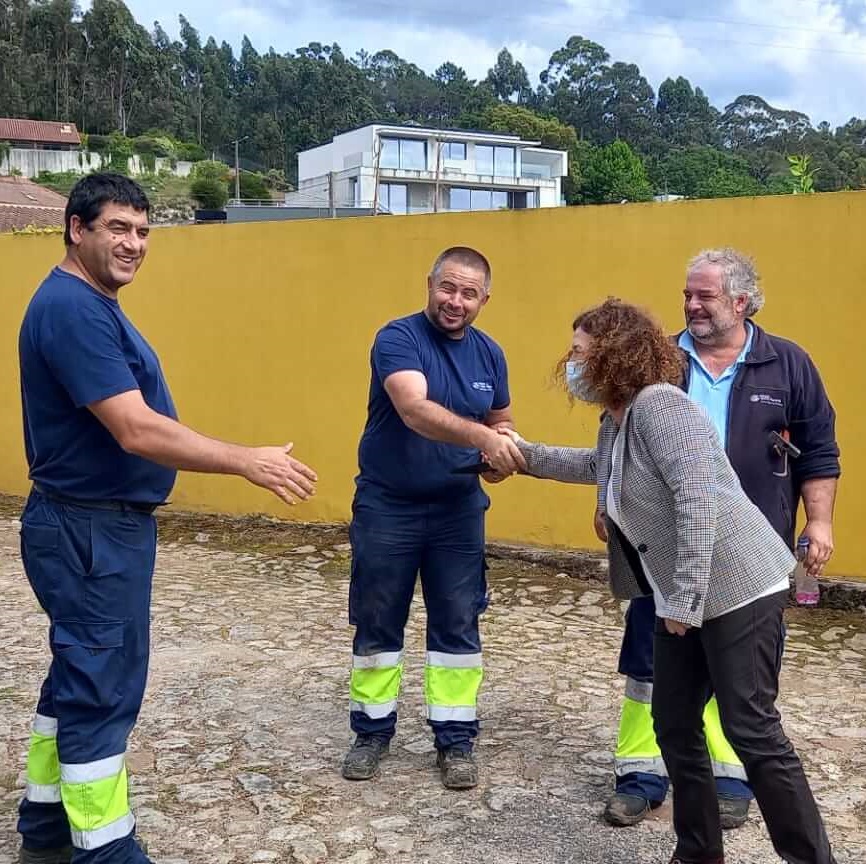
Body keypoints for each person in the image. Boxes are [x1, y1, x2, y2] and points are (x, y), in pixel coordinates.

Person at [17, 174, 317, 864]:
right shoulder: (73, 309)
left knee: (76, 676)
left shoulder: (89, 304)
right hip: (91, 529)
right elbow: (135, 429)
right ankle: (104, 849)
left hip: (95, 525)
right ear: (76, 228)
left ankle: (44, 826)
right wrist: (247, 460)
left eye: (143, 231)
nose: (134, 243)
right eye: (118, 228)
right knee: (100, 687)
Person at [508, 298, 837, 864]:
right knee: (674, 724)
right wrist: (520, 455)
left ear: (612, 355)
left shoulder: (662, 406)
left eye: (581, 352)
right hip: (684, 596)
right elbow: (597, 468)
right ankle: (697, 853)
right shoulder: (620, 416)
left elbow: (698, 501)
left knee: (752, 730)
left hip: (737, 588)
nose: (572, 363)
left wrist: (683, 600)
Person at [601, 248, 840, 829]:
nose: (691, 306)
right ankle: (641, 773)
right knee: (650, 663)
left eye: (704, 296)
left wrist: (820, 521)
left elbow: (819, 450)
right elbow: (617, 433)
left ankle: (731, 778)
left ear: (741, 301)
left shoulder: (787, 364)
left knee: (744, 680)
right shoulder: (661, 361)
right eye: (687, 294)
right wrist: (606, 501)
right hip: (664, 549)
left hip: (745, 557)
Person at [341, 246, 521, 790]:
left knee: (458, 623)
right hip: (387, 505)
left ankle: (456, 739)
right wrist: (484, 437)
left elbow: (502, 420)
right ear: (429, 284)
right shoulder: (398, 338)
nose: (455, 302)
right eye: (448, 288)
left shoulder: (490, 353)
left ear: (484, 299)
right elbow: (413, 408)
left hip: (458, 510)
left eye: (469, 294)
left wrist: (500, 454)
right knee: (377, 619)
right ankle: (371, 732)